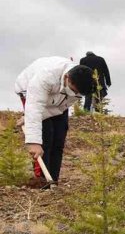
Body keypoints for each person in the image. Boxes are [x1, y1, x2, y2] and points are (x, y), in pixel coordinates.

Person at [15, 57, 97, 187]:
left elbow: (59, 109)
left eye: (77, 92)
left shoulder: (80, 87)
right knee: (45, 137)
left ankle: (53, 180)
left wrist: (27, 118)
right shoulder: (46, 77)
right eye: (73, 90)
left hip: (57, 101)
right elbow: (35, 108)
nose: (75, 94)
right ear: (67, 78)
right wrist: (34, 142)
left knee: (59, 137)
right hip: (30, 92)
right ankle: (42, 181)